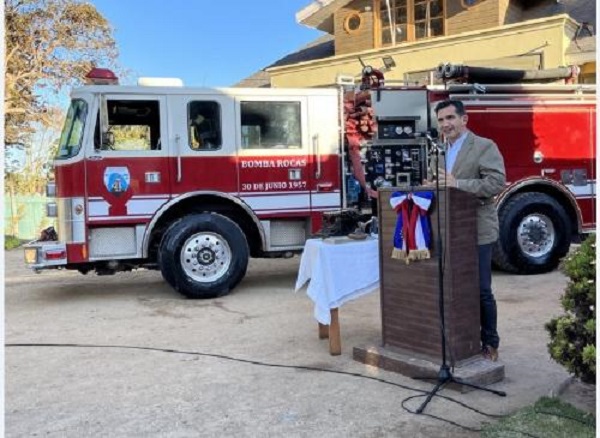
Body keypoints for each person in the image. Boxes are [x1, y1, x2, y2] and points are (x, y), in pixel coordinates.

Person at [426, 99, 506, 362]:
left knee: (481, 288)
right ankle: (460, 340)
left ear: (464, 120)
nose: (445, 124)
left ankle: (490, 343)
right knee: (454, 288)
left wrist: (457, 183)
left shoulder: (484, 146)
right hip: (449, 232)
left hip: (477, 230)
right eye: (440, 120)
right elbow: (441, 186)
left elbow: (496, 182)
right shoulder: (438, 152)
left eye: (450, 118)